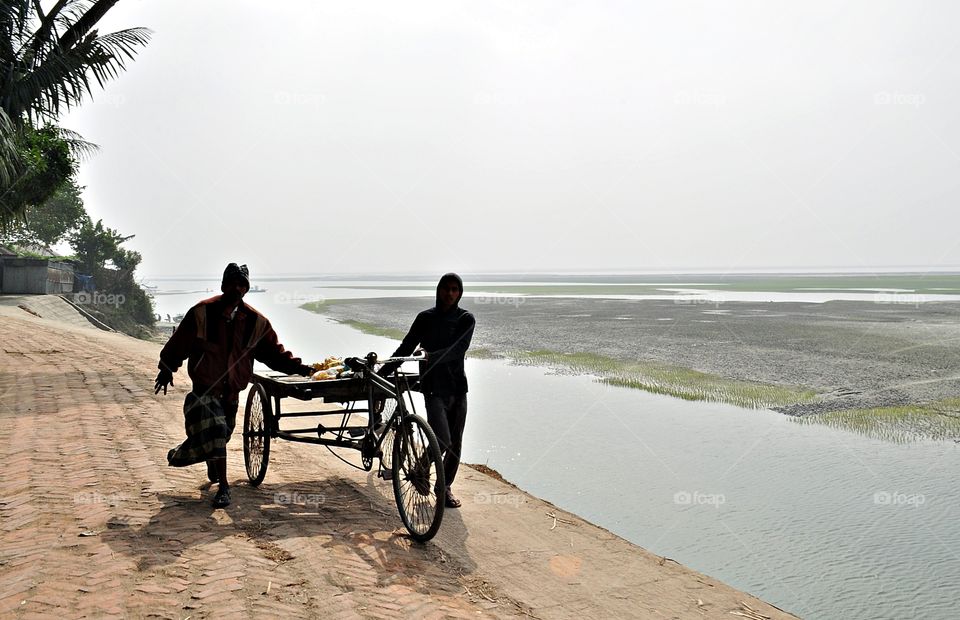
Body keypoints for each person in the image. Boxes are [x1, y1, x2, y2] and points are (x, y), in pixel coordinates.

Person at [154, 263, 313, 508]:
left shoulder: (257, 322)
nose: (237, 289)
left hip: (231, 393)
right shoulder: (201, 313)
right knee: (217, 431)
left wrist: (305, 370)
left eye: (242, 285)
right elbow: (179, 343)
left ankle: (206, 458)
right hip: (204, 390)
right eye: (232, 284)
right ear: (223, 285)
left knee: (224, 433)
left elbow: (275, 355)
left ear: (246, 289)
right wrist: (166, 368)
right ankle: (224, 488)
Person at [380, 273, 475, 508]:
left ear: (460, 292)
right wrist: (382, 373)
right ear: (438, 290)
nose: (450, 294)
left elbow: (457, 350)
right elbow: (406, 346)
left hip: (457, 388)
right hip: (433, 387)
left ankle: (445, 488)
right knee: (442, 438)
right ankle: (422, 468)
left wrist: (430, 355)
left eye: (455, 289)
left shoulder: (466, 319)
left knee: (456, 443)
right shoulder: (425, 318)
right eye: (446, 289)